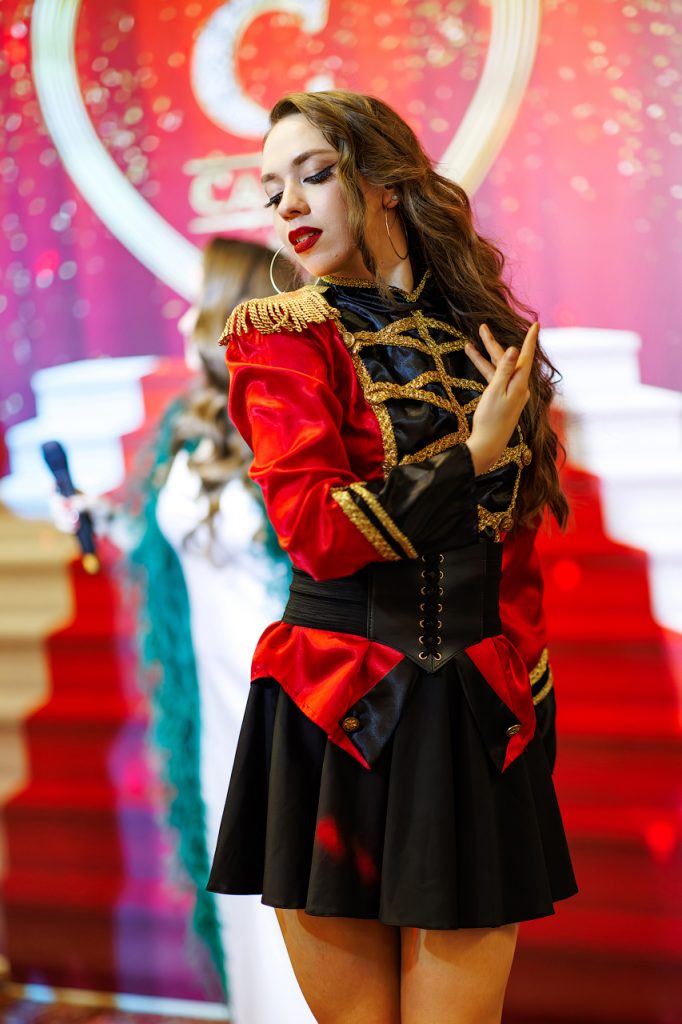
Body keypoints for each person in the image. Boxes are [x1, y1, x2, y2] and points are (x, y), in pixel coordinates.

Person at [207, 92, 578, 1024]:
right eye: (272, 189)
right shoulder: (280, 335)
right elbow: (314, 529)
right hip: (336, 712)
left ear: (383, 184)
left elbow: (517, 554)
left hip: (473, 713)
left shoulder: (484, 334)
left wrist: (530, 702)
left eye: (315, 174)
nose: (290, 205)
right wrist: (468, 458)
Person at [51, 238, 316, 1024]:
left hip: (292, 704)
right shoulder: (190, 421)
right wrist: (99, 518)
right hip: (217, 707)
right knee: (241, 889)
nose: (181, 315)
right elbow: (170, 546)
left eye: (199, 298)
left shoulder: (301, 422)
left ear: (237, 310)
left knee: (303, 888)